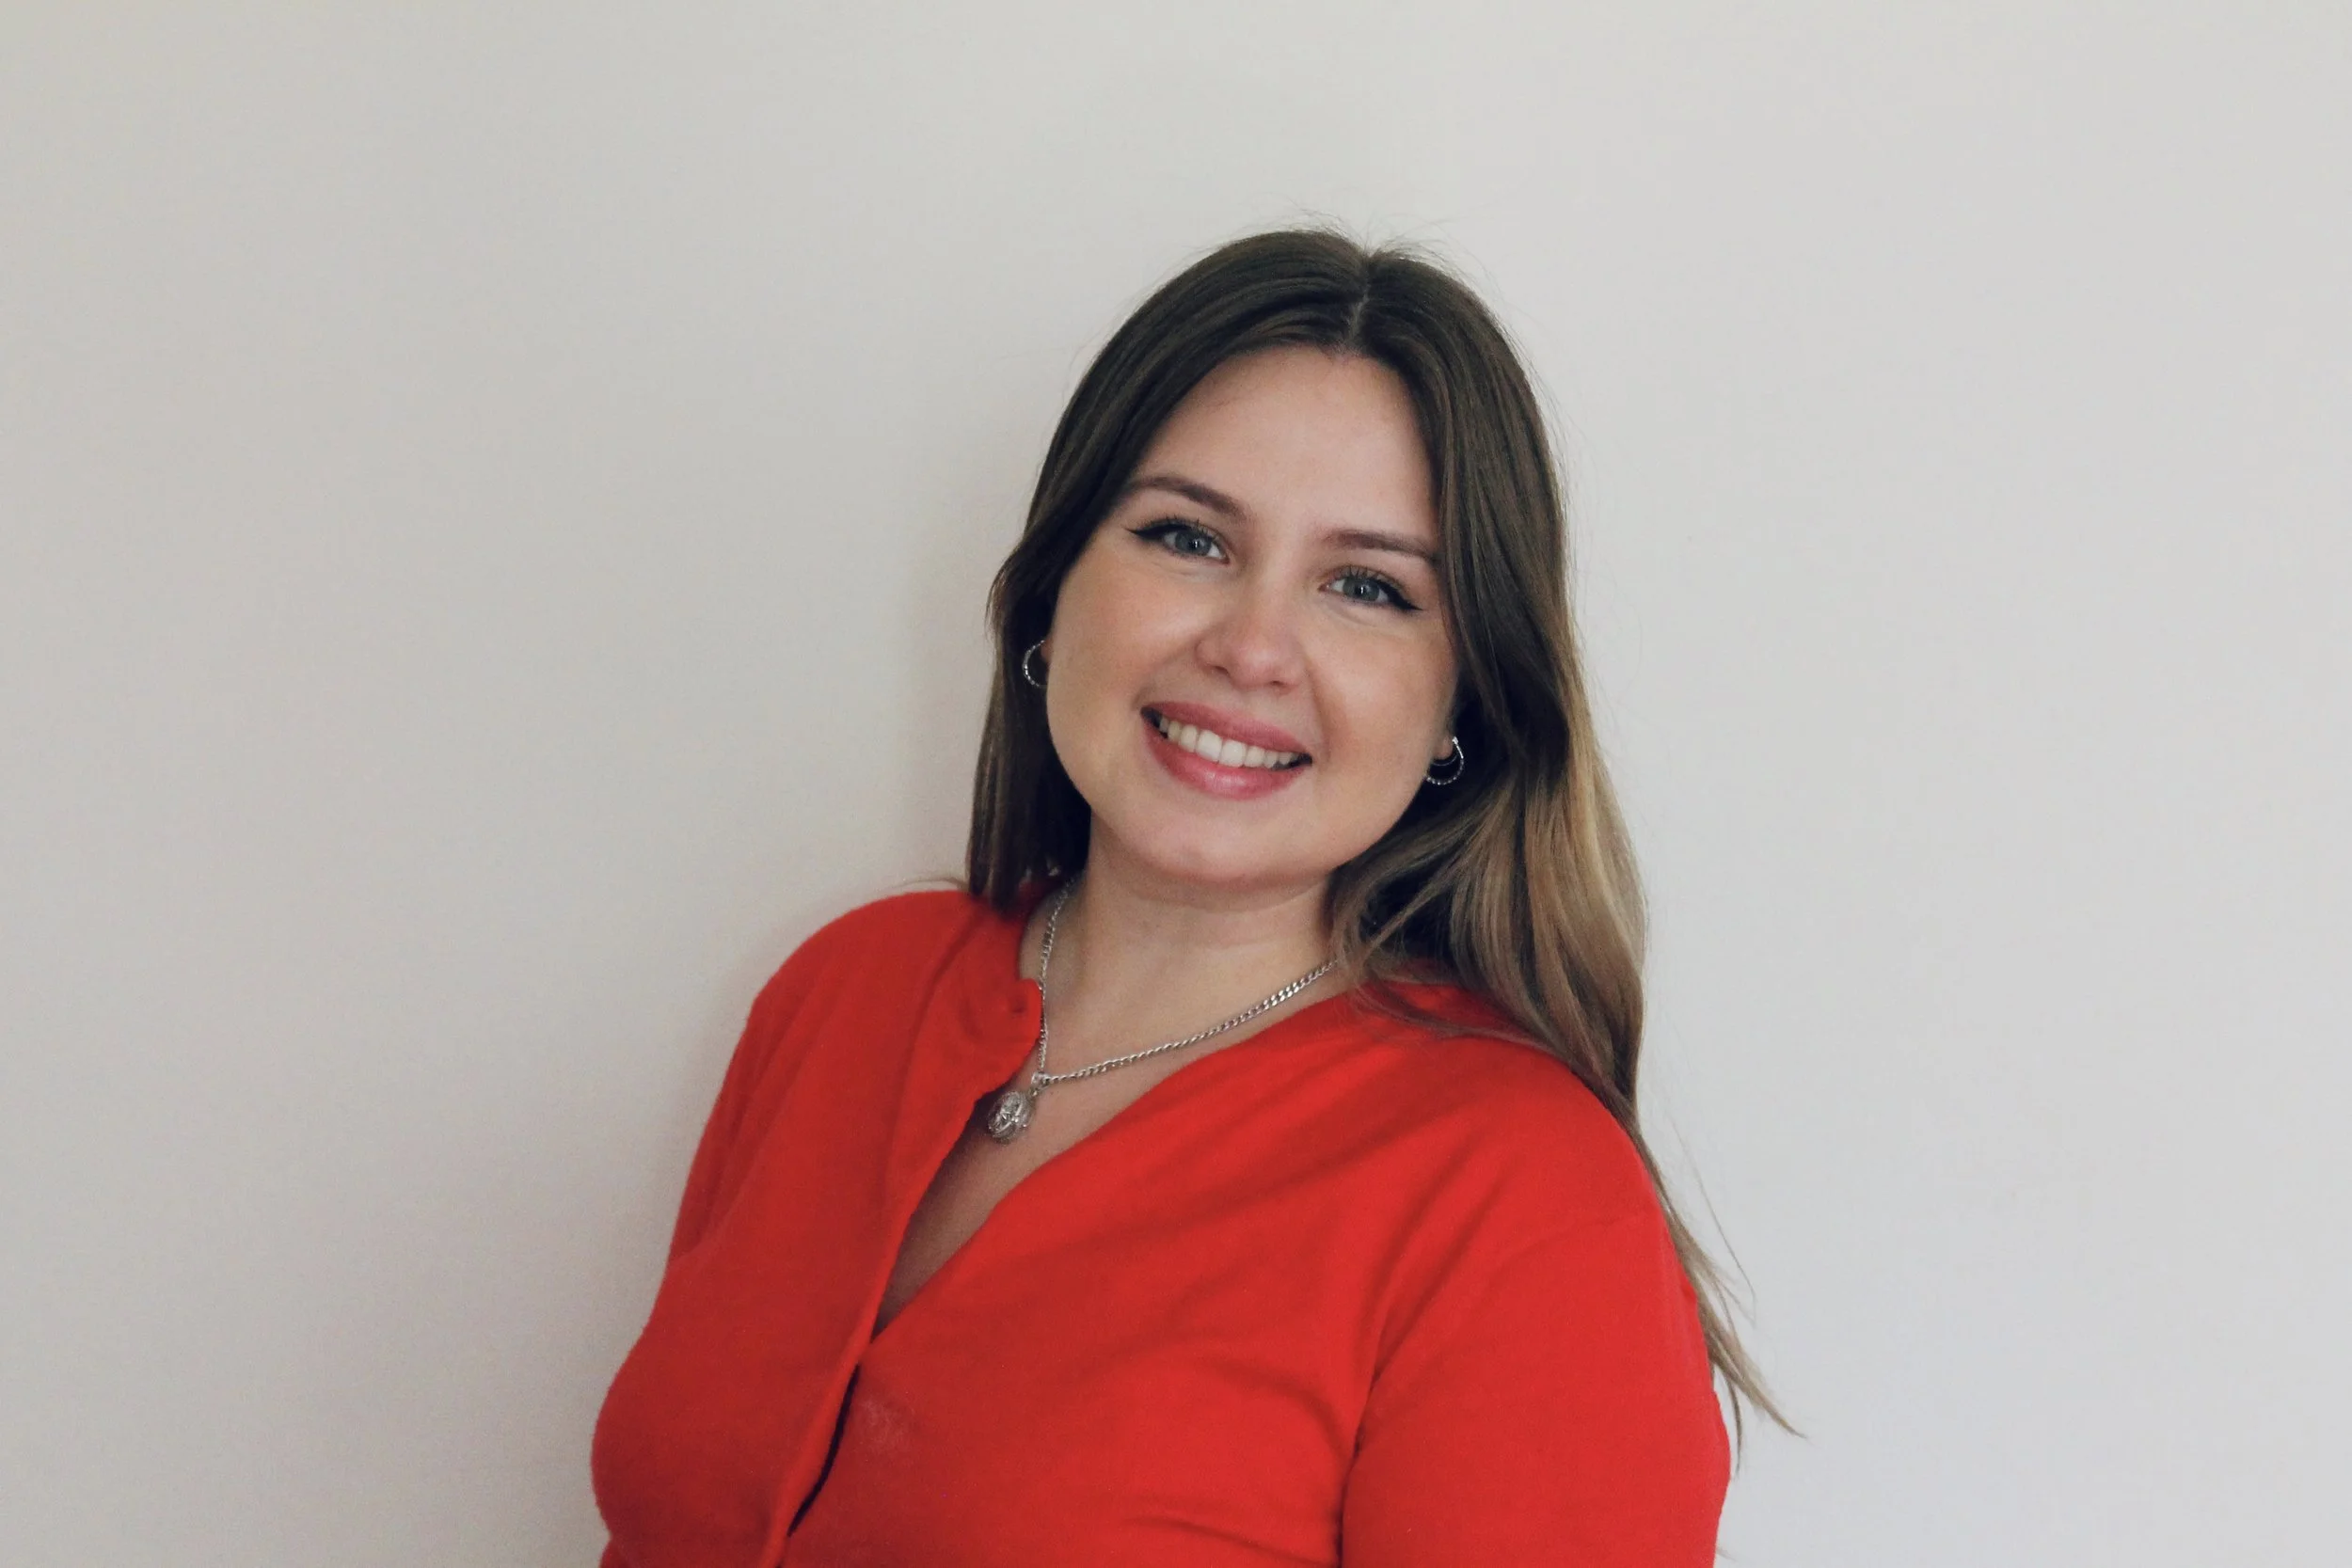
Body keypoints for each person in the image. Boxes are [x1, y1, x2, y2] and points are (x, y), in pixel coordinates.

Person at [591, 228, 1777, 1567]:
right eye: (1189, 537)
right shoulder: (847, 990)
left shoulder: (1525, 1207)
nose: (1253, 645)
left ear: (1461, 701)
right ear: (1054, 593)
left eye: (1367, 587)